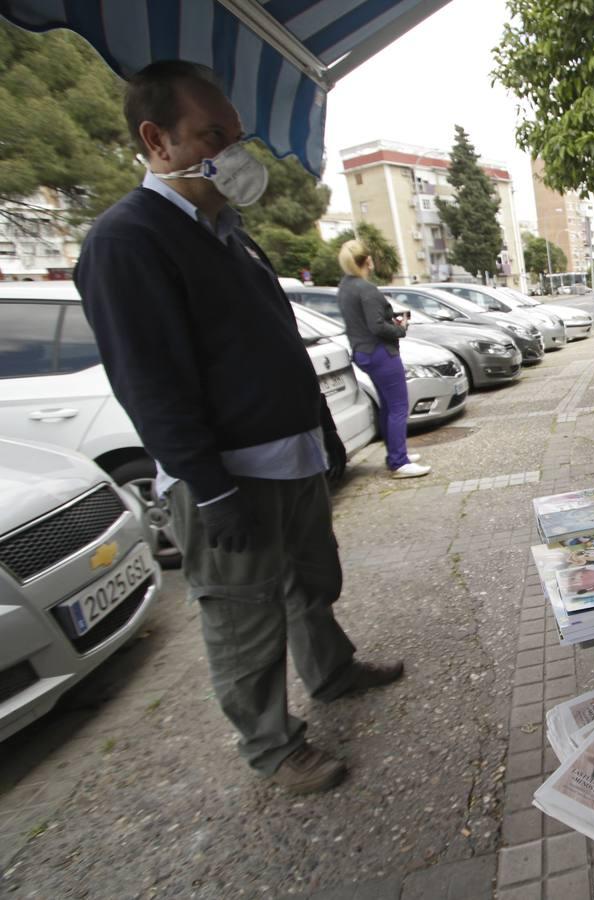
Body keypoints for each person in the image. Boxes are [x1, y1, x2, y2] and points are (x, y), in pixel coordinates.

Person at [75, 60, 404, 795]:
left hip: (287, 459)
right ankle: (272, 745)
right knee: (242, 615)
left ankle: (331, 671)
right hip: (229, 477)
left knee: (310, 580)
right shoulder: (128, 240)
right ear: (157, 140)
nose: (232, 148)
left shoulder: (226, 230)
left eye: (235, 132)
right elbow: (148, 381)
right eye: (211, 134)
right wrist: (210, 487)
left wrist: (320, 429)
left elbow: (274, 342)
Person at [336, 241, 430, 479]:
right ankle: (399, 462)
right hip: (380, 353)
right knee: (398, 406)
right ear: (367, 261)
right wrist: (400, 328)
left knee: (388, 406)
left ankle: (395, 454)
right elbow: (377, 326)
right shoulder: (366, 289)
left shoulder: (345, 287)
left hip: (362, 352)